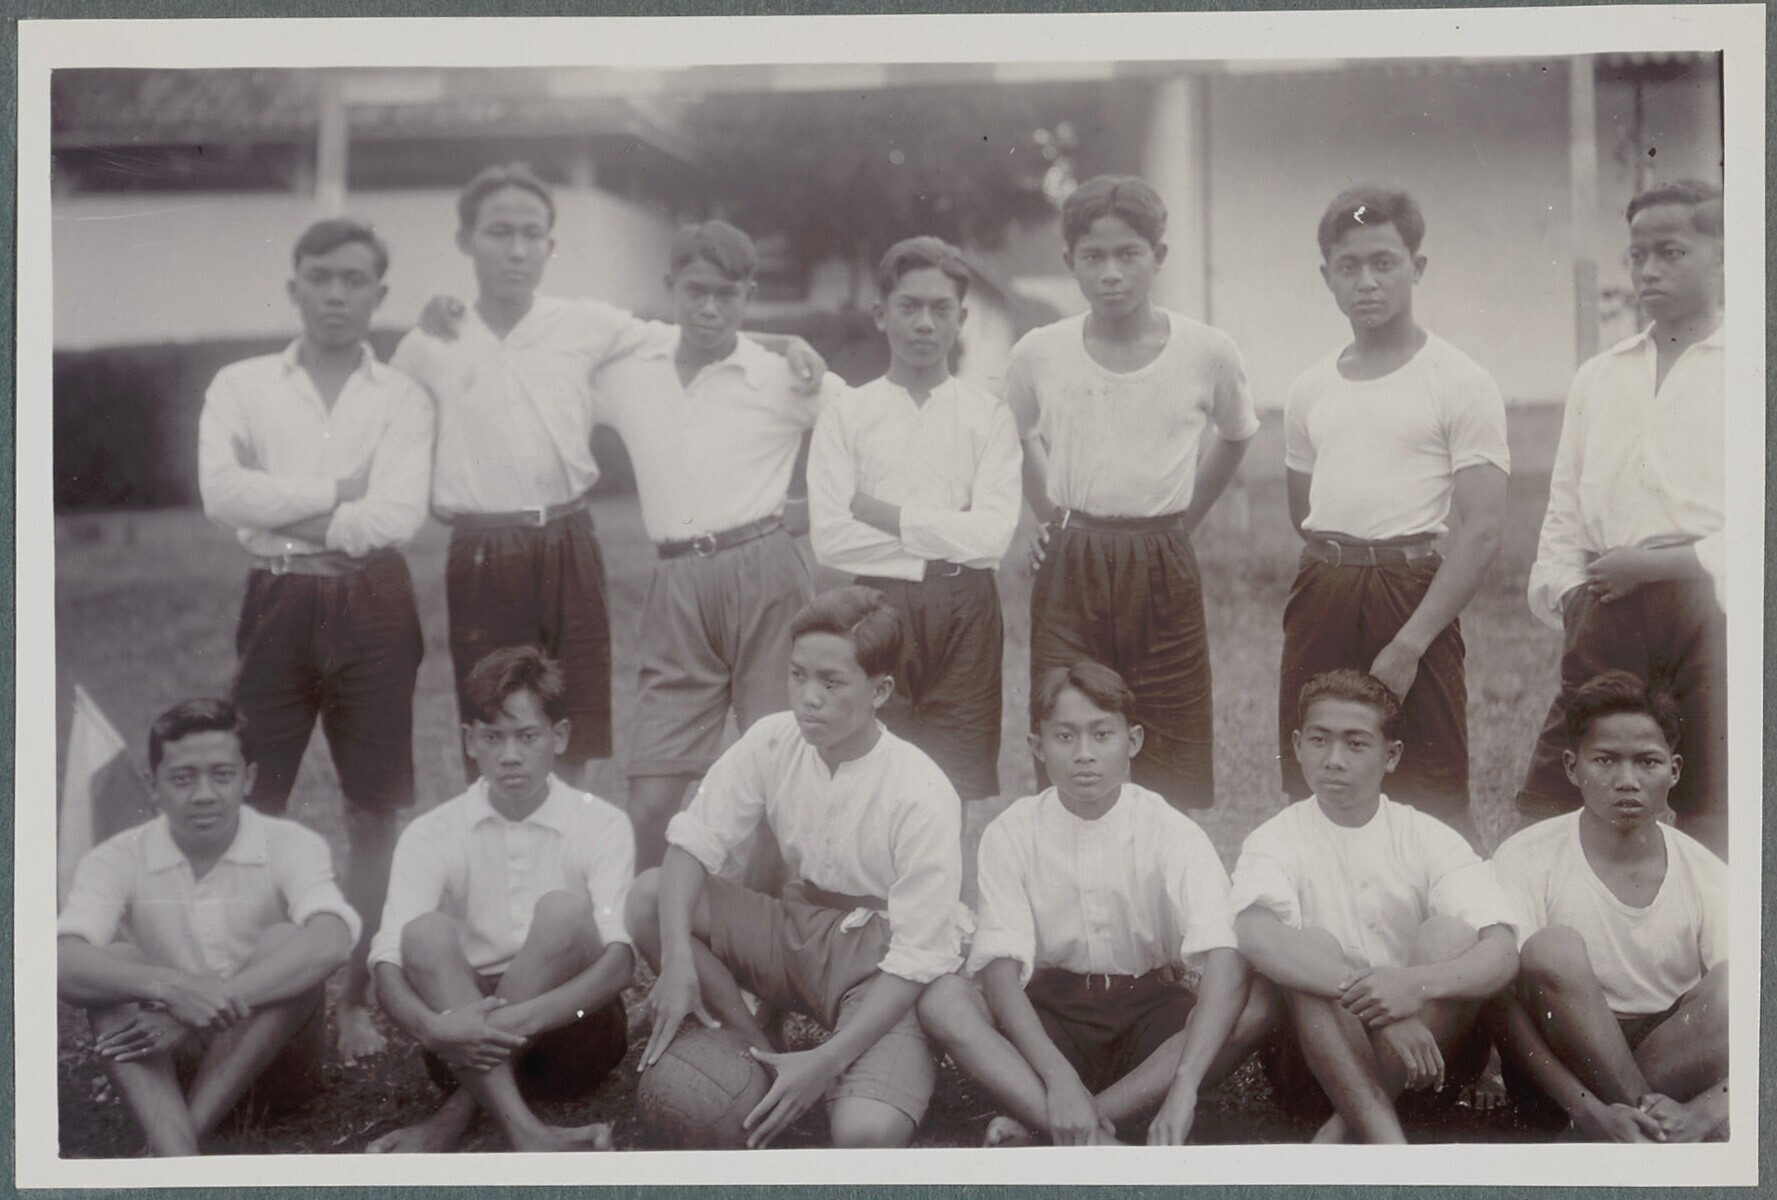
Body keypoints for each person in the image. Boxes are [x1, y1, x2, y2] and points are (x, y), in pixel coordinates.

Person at [196, 217, 431, 1066]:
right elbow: (221, 494)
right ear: (294, 285)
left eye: (354, 280)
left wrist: (283, 504)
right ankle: (248, 990)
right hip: (278, 599)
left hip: (374, 602)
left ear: (379, 293)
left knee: (373, 810)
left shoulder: (402, 397)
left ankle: (358, 998)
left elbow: (395, 516)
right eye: (321, 277)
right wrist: (337, 492)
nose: (336, 294)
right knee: (253, 801)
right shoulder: (242, 384)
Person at [625, 586, 968, 1149]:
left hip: (878, 959)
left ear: (880, 691)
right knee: (649, 896)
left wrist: (826, 1062)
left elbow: (916, 959)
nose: (809, 698)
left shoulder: (922, 789)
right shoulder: (772, 739)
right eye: (798, 675)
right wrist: (678, 959)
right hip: (794, 926)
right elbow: (691, 843)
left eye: (831, 683)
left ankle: (849, 1064)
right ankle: (755, 1050)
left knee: (865, 1134)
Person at [918, 662, 1266, 1147]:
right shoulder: (1011, 832)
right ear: (1037, 746)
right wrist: (1057, 1076)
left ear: (1133, 741)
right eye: (1064, 737)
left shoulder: (1170, 829)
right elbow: (999, 973)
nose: (1084, 754)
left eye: (1102, 735)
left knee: (1253, 1007)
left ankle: (1069, 1123)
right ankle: (1096, 1138)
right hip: (1051, 1018)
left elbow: (1225, 956)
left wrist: (1185, 1085)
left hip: (1150, 1016)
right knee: (943, 1000)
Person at [593, 220, 848, 869]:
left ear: (748, 295)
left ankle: (762, 922)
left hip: (766, 574)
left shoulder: (783, 376)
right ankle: (655, 920)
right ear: (670, 287)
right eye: (696, 292)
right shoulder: (630, 373)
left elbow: (867, 432)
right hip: (676, 585)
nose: (709, 309)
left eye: (727, 295)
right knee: (651, 797)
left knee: (779, 774)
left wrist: (816, 511)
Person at [1006, 174, 1258, 813]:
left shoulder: (1207, 350)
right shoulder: (1040, 352)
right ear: (1070, 261)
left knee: (1168, 728)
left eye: (1128, 254)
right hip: (1072, 561)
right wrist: (1052, 519)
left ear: (1159, 256)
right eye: (1093, 256)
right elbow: (1017, 435)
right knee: (1069, 723)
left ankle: (1162, 870)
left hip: (1161, 558)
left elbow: (1236, 434)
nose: (1111, 273)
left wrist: (1183, 522)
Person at [1279, 186, 1509, 838]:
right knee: (1313, 776)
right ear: (1327, 276)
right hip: (1323, 586)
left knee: (1432, 785)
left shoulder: (1459, 380)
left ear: (1416, 266)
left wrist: (1409, 642)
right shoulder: (1310, 387)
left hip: (1411, 593)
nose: (1367, 282)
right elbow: (1303, 507)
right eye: (1348, 266)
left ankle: (1458, 899)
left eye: (1384, 263)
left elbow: (1483, 529)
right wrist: (1339, 571)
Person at [1518, 180, 1727, 858]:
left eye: (1671, 252)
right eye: (1637, 256)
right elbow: (1565, 505)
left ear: (1722, 255)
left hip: (1713, 605)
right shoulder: (1601, 377)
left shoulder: (1748, 365)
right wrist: (1569, 595)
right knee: (1557, 792)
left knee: (1713, 796)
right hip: (1609, 605)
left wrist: (1660, 566)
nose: (1649, 271)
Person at [57, 699, 360, 1156]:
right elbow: (63, 963)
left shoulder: (291, 843)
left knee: (286, 941)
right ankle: (179, 1152)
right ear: (154, 784)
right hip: (166, 1065)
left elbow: (331, 940)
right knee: (114, 962)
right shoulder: (116, 856)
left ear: (248, 779)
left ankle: (174, 1148)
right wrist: (173, 988)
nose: (204, 794)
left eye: (222, 775)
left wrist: (205, 1005)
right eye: (183, 778)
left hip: (277, 1067)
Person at [1229, 669, 1519, 1143]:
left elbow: (1502, 950)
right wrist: (1379, 1008)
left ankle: (1345, 1132)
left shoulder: (1427, 836)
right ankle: (1387, 1142)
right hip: (1314, 1065)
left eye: (1356, 744)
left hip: (1427, 1058)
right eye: (1319, 740)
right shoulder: (1275, 838)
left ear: (1392, 755)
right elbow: (1255, 935)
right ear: (1298, 746)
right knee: (1311, 946)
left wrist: (1413, 987)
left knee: (1449, 934)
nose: (1334, 760)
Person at [365, 646, 635, 1154]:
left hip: (574, 1034)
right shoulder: (431, 831)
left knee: (562, 912)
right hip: (458, 1038)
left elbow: (620, 963)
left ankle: (453, 1121)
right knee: (421, 933)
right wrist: (434, 1028)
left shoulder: (601, 822)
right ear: (470, 741)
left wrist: (514, 1022)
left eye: (527, 736)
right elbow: (386, 965)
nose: (510, 755)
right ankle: (527, 1132)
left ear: (559, 736)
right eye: (492, 737)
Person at [808, 236, 1022, 803]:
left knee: (952, 786)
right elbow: (831, 538)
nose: (925, 323)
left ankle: (943, 869)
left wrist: (885, 514)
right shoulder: (848, 414)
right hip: (876, 604)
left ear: (961, 319)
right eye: (909, 306)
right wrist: (949, 534)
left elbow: (994, 536)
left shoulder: (988, 416)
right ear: (881, 314)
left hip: (966, 606)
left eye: (941, 308)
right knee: (873, 774)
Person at [1488, 670, 1727, 1143]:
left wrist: (1706, 1111)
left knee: (1738, 983)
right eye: (1605, 760)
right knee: (1552, 949)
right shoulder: (1525, 856)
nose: (1627, 781)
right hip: (1561, 1068)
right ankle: (1636, 1132)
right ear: (1572, 767)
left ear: (1674, 770)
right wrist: (1592, 1111)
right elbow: (1501, 1007)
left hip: (1670, 1054)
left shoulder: (1703, 870)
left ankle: (1619, 1135)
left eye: (1647, 762)